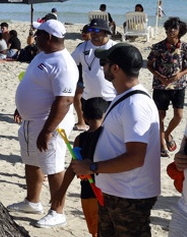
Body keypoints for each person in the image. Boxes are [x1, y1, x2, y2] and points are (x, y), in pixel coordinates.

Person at [71, 43, 159, 237]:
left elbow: (136, 157)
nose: (102, 67)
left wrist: (92, 167)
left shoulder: (136, 104)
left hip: (130, 196)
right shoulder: (124, 98)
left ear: (115, 68)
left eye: (105, 62)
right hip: (115, 192)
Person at [8, 19, 78, 228]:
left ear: (48, 37)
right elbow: (33, 83)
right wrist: (21, 105)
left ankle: (58, 210)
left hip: (50, 124)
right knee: (32, 161)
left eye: (38, 34)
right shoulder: (42, 54)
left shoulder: (63, 63)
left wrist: (48, 131)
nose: (35, 37)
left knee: (54, 166)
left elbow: (65, 100)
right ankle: (32, 201)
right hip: (31, 121)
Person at [50, 97, 109, 237]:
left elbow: (72, 167)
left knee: (95, 230)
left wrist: (61, 191)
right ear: (105, 116)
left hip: (87, 192)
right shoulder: (108, 136)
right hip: (107, 191)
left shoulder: (79, 139)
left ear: (85, 117)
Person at [147, 17, 187, 156]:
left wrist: (180, 74)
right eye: (169, 28)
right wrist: (160, 77)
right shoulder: (158, 47)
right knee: (160, 116)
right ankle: (162, 145)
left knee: (179, 115)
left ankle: (167, 134)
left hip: (179, 86)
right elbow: (149, 65)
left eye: (174, 28)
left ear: (180, 31)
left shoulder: (184, 47)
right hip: (160, 86)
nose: (171, 30)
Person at [71, 18, 116, 135]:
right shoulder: (82, 48)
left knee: (109, 131)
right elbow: (68, 65)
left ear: (105, 31)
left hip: (110, 98)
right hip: (89, 98)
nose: (93, 33)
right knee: (93, 131)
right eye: (91, 29)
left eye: (97, 30)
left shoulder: (115, 48)